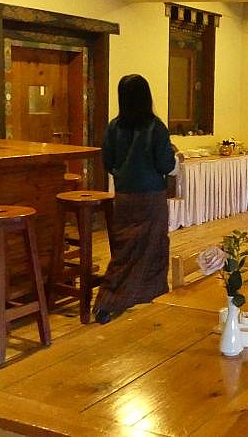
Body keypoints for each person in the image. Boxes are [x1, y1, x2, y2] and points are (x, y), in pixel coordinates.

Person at [94, 74, 177, 324]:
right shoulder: (155, 127)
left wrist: (123, 174)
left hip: (124, 197)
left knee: (124, 251)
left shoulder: (114, 127)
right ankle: (152, 294)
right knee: (154, 248)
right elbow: (165, 164)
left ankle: (108, 301)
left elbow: (108, 161)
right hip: (151, 197)